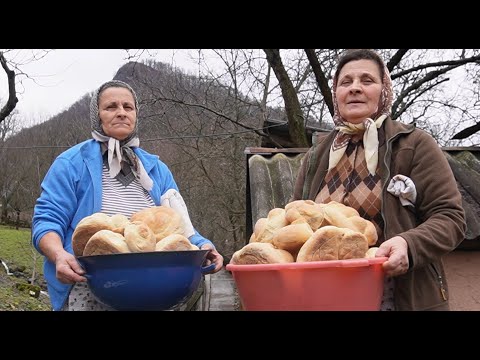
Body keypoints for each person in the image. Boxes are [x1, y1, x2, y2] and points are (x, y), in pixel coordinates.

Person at [293, 49, 466, 311]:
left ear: (383, 91)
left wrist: (408, 244)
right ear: (336, 94)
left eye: (367, 80)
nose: (355, 89)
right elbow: (294, 219)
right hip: (325, 295)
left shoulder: (414, 145)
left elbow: (451, 218)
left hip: (396, 295)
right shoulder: (317, 155)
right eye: (346, 82)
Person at [32, 80, 224, 311]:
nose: (121, 113)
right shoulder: (71, 164)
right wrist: (59, 255)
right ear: (97, 116)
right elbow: (47, 221)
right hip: (91, 286)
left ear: (135, 115)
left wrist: (204, 246)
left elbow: (180, 226)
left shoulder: (156, 169)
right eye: (111, 107)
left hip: (153, 288)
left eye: (128, 107)